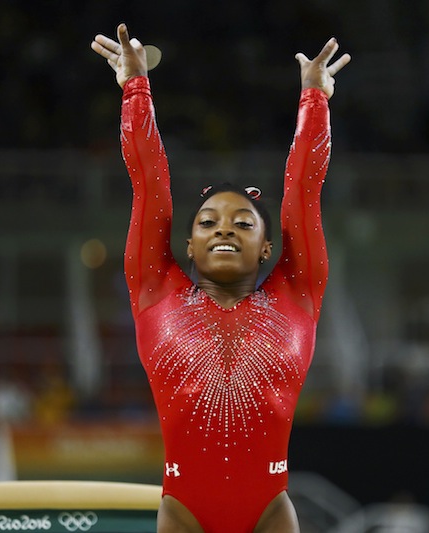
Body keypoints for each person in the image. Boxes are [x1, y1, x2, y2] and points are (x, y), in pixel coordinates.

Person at [90, 23, 350, 533]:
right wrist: (135, 88)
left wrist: (314, 99)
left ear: (268, 249)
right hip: (183, 513)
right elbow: (148, 180)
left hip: (269, 514)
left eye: (242, 223)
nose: (223, 230)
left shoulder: (296, 292)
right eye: (207, 222)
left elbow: (303, 192)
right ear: (187, 245)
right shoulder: (154, 289)